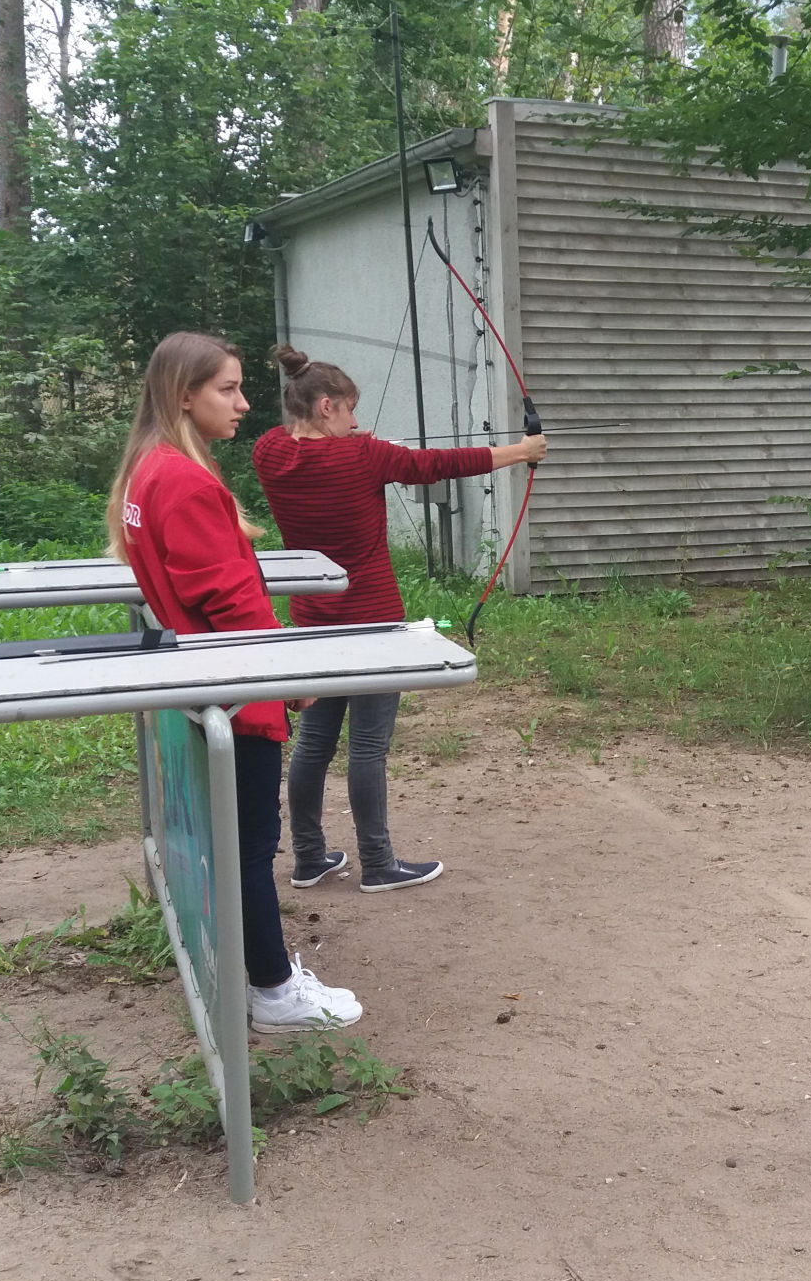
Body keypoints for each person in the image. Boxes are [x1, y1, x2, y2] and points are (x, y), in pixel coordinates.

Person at [105, 331, 363, 1034]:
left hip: (209, 679)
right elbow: (231, 600)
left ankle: (260, 977)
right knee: (250, 847)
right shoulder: (183, 479)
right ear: (183, 395)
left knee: (235, 843)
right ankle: (274, 991)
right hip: (235, 691)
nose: (244, 403)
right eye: (228, 389)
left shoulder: (150, 469)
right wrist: (284, 678)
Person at [252, 343, 548, 893]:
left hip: (313, 621)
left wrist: (348, 440)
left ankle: (309, 858)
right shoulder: (367, 457)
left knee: (314, 744)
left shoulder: (269, 452)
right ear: (325, 406)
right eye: (348, 409)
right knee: (367, 747)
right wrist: (522, 450)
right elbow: (440, 465)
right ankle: (379, 864)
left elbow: (302, 443)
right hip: (373, 623)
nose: (355, 421)